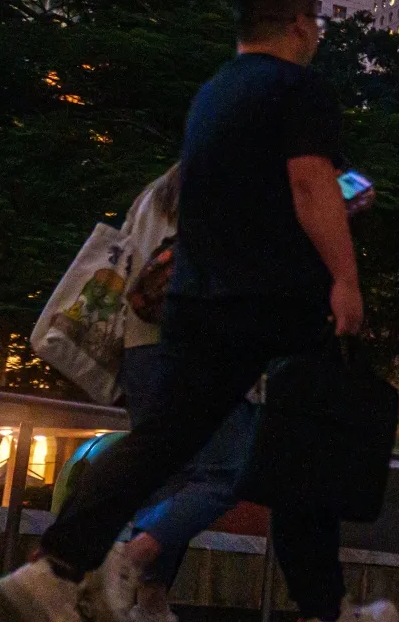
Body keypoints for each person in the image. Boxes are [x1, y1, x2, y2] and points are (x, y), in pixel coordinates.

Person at [0, 0, 396, 622]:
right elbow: (312, 183)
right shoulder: (299, 87)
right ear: (299, 23)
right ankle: (326, 608)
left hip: (198, 299)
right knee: (308, 439)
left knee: (160, 441)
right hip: (277, 299)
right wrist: (345, 280)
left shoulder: (212, 93)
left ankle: (53, 569)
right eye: (314, 20)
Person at [108, 168, 262, 622]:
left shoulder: (154, 192)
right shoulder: (242, 189)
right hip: (202, 350)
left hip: (140, 350)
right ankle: (130, 559)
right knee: (229, 472)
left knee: (166, 478)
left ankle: (149, 603)